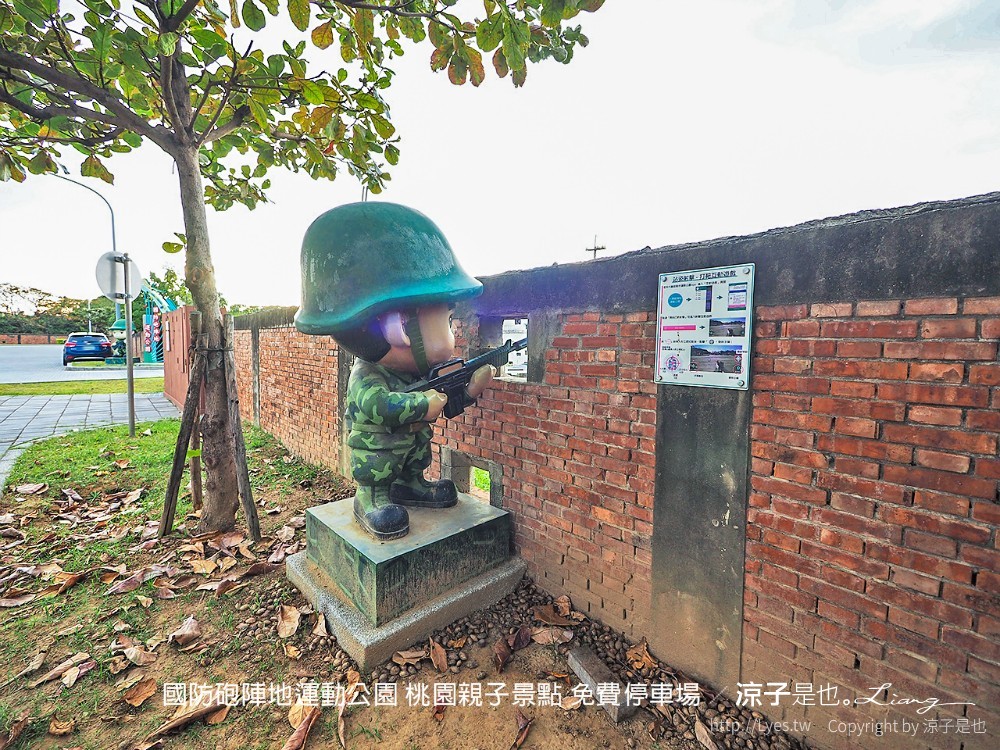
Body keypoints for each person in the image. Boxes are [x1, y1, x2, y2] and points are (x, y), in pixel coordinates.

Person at [296, 203, 494, 540]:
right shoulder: (367, 375)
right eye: (446, 322)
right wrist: (421, 405)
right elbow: (378, 405)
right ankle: (372, 499)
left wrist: (469, 389)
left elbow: (443, 399)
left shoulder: (419, 370)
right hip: (378, 453)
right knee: (377, 466)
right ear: (400, 328)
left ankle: (411, 484)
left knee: (418, 451)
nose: (452, 333)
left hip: (411, 445)